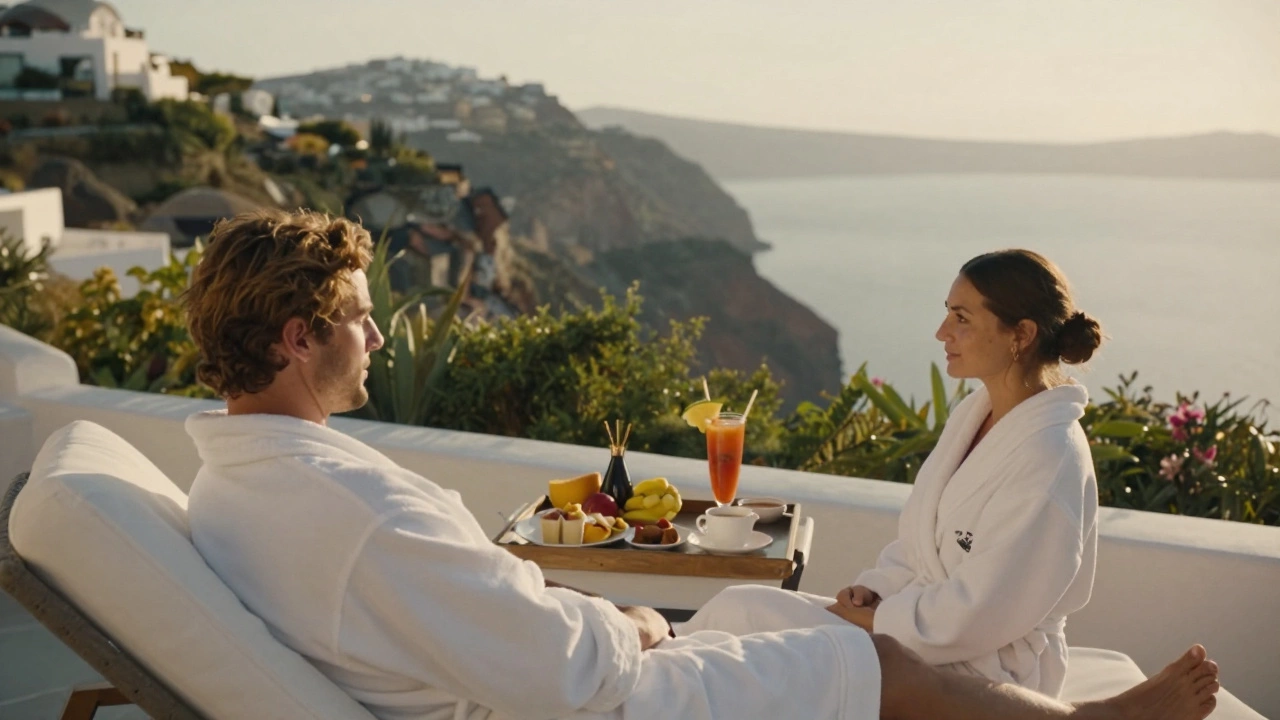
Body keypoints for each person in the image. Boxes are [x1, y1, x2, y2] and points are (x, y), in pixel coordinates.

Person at [181, 211, 1219, 720]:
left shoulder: (248, 480)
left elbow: (473, 610)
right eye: (359, 321)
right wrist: (624, 623)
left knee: (739, 611)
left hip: (545, 670)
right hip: (594, 701)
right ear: (294, 337)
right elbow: (556, 669)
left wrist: (599, 614)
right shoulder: (343, 504)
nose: (379, 338)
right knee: (863, 664)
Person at [682, 249, 1107, 697]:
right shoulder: (976, 414)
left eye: (961, 318)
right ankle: (649, 686)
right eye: (947, 314)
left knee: (746, 624)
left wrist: (876, 619)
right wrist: (875, 590)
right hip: (915, 631)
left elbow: (985, 611)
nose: (942, 332)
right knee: (738, 608)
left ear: (1020, 334)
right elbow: (922, 544)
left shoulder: (1049, 454)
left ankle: (644, 691)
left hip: (981, 667)